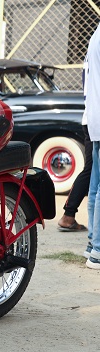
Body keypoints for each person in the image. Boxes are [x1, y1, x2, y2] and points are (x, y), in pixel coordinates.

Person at [57, 109, 92, 233]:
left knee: (90, 169)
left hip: (91, 120)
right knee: (90, 169)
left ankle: (69, 214)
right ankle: (68, 215)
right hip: (95, 121)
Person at [85, 24, 100, 269]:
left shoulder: (96, 34)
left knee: (95, 185)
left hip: (95, 118)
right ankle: (97, 249)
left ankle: (92, 244)